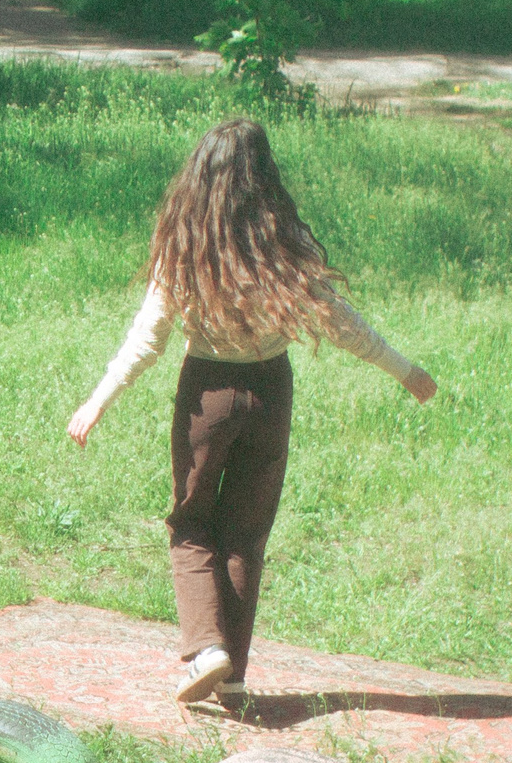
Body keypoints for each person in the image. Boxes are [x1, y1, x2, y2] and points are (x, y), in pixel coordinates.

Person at [67, 118, 436, 710]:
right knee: (245, 532)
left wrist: (97, 399)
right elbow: (339, 321)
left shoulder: (186, 246)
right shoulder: (281, 245)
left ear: (198, 177)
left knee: (192, 524)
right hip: (271, 393)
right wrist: (404, 370)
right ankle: (233, 678)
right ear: (265, 179)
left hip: (207, 395)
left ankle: (207, 650)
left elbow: (148, 337)